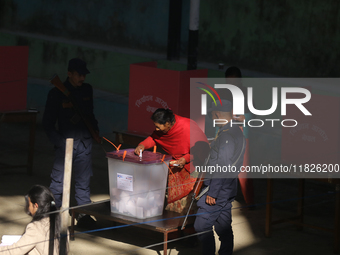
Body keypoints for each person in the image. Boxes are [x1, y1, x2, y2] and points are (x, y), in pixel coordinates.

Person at [42, 58, 99, 226]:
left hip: (84, 143)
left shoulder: (87, 90)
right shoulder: (57, 93)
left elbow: (90, 115)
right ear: (69, 74)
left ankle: (82, 214)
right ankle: (53, 215)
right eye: (79, 75)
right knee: (58, 182)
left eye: (84, 75)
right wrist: (59, 142)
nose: (82, 78)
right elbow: (47, 123)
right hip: (65, 143)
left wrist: (95, 132)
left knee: (83, 182)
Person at [194, 99, 246, 255]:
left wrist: (213, 193)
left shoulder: (226, 136)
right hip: (228, 187)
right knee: (223, 225)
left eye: (212, 115)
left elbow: (222, 165)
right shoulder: (236, 131)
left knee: (201, 225)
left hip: (217, 189)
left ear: (216, 114)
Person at [134, 108, 209, 213]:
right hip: (175, 165)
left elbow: (203, 149)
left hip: (192, 166)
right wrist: (142, 145)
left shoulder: (188, 126)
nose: (156, 129)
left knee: (188, 200)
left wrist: (186, 158)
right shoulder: (162, 130)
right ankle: (174, 221)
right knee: (173, 200)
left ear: (168, 123)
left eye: (158, 127)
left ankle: (187, 225)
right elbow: (154, 138)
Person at [219, 66, 254, 206]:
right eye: (229, 82)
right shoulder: (222, 94)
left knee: (244, 171)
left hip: (242, 136)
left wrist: (243, 118)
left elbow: (253, 117)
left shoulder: (246, 94)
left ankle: (250, 201)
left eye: (235, 82)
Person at [0, 185, 61, 255]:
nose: (28, 208)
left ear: (36, 206)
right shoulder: (59, 223)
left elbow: (15, 251)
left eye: (29, 204)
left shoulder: (36, 227)